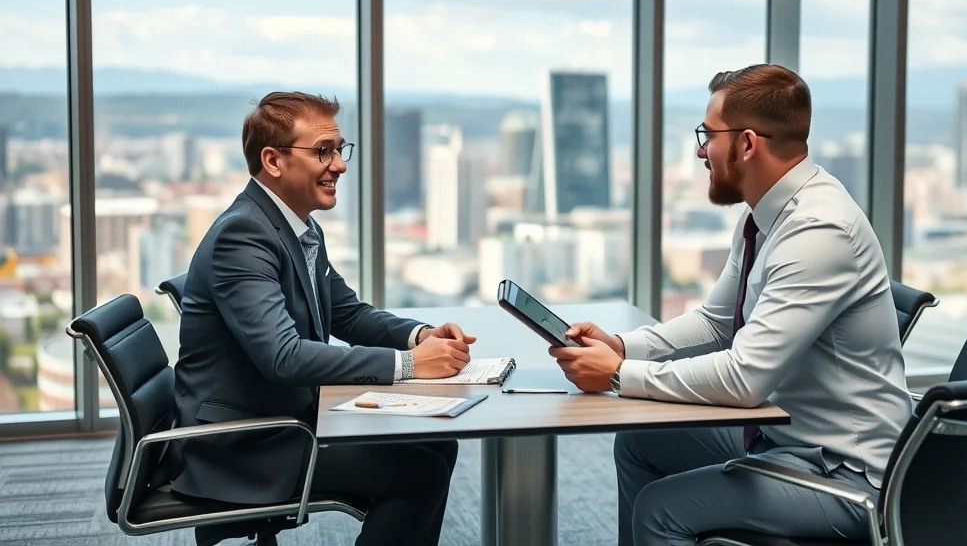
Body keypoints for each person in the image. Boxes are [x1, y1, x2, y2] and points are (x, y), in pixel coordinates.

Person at [549, 64, 912, 545]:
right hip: (786, 438)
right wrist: (621, 346)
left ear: (746, 143)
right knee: (641, 440)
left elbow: (744, 379)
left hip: (847, 475)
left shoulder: (818, 232)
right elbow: (716, 323)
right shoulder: (767, 214)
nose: (701, 150)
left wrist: (617, 375)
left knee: (662, 510)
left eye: (707, 135)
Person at [164, 91, 475, 546]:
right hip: (242, 446)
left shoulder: (297, 226)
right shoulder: (243, 235)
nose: (341, 165)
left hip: (281, 420)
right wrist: (409, 367)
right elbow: (284, 359)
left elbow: (347, 314)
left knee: (435, 443)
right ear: (273, 161)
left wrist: (419, 336)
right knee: (418, 473)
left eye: (339, 149)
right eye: (323, 151)